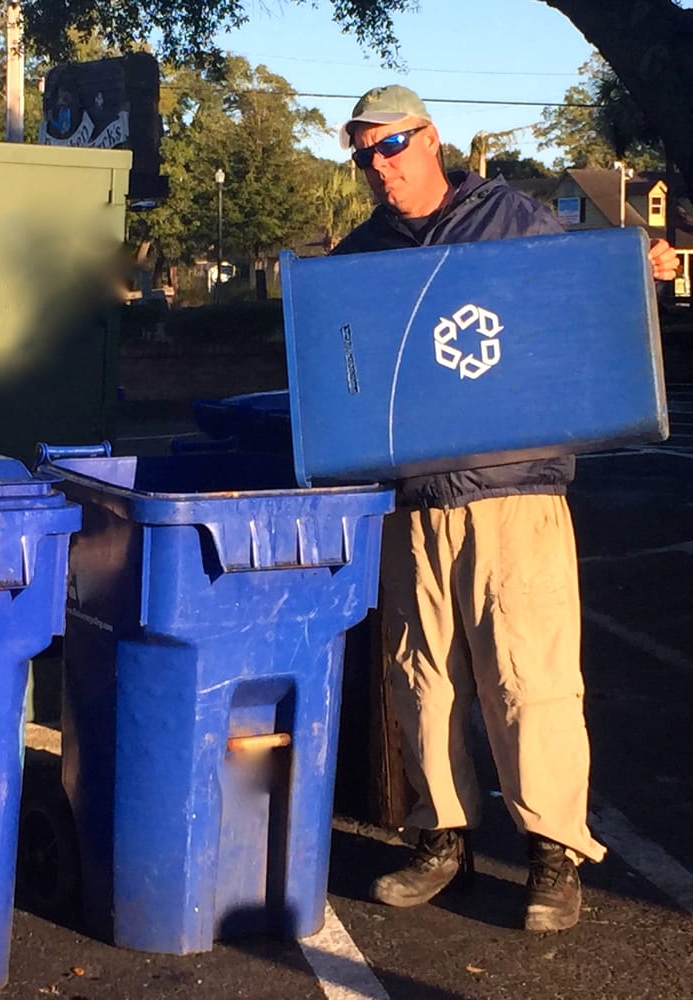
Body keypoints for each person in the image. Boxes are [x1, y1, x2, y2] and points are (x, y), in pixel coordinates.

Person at [332, 85, 679, 932]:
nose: (380, 165)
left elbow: (579, 301)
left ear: (430, 140)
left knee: (532, 683)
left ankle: (553, 855)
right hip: (415, 503)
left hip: (515, 495)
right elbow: (338, 366)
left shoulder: (510, 219)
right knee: (422, 679)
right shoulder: (360, 252)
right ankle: (440, 838)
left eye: (393, 145)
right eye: (365, 152)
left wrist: (643, 266)